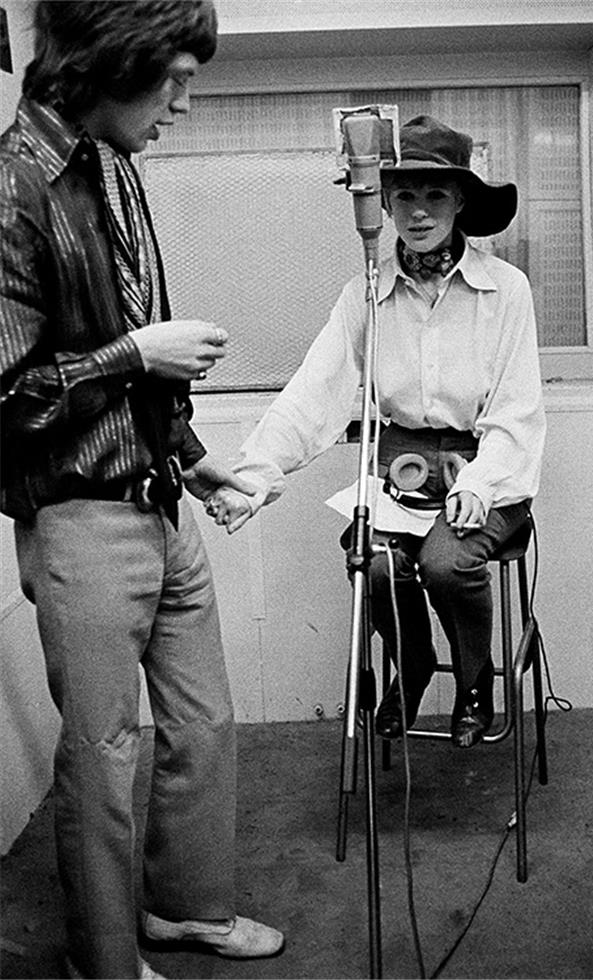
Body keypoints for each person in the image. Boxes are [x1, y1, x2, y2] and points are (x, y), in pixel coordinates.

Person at [0, 3, 284, 978]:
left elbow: (144, 369)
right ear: (111, 63)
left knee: (202, 721)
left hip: (158, 495)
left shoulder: (117, 165)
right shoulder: (12, 183)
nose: (185, 103)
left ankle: (187, 909)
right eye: (173, 79)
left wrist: (196, 457)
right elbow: (7, 395)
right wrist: (134, 352)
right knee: (104, 755)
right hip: (78, 519)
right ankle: (105, 961)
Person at [206, 114, 546, 750]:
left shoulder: (507, 292)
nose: (419, 213)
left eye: (435, 195)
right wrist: (250, 479)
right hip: (399, 466)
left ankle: (476, 682)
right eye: (405, 196)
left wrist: (481, 483)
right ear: (384, 203)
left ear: (462, 202)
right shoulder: (365, 293)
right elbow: (315, 394)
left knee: (447, 563)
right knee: (376, 563)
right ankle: (412, 665)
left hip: (483, 463)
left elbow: (517, 410)